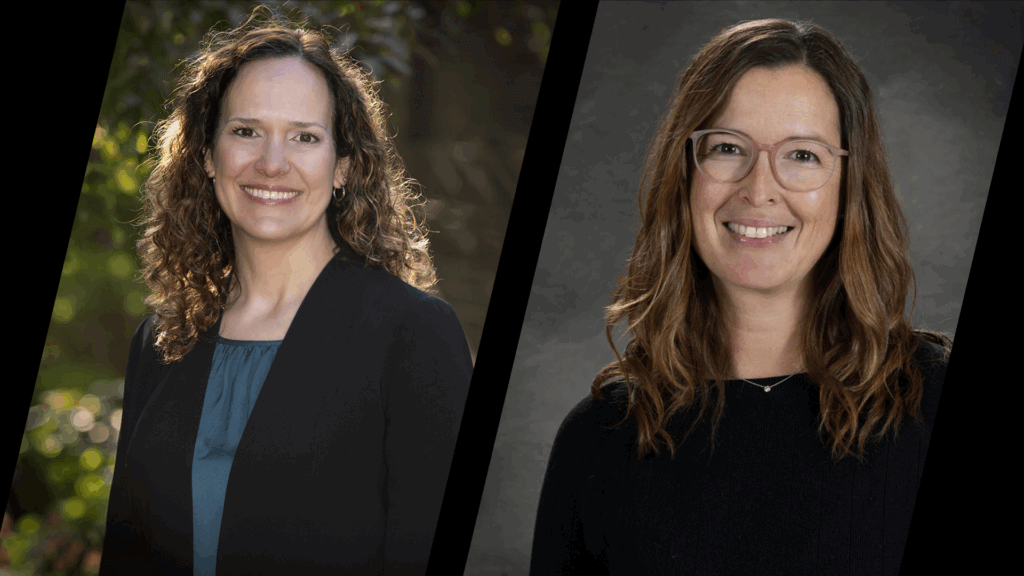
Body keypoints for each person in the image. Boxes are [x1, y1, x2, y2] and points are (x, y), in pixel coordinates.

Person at [531, 18, 951, 575]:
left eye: (802, 155)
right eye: (728, 147)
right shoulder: (601, 439)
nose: (758, 189)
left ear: (851, 186)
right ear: (684, 175)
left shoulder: (931, 396)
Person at [99, 10, 472, 576]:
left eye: (304, 137)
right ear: (206, 154)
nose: (272, 164)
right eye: (246, 131)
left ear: (343, 166)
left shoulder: (413, 336)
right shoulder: (160, 343)